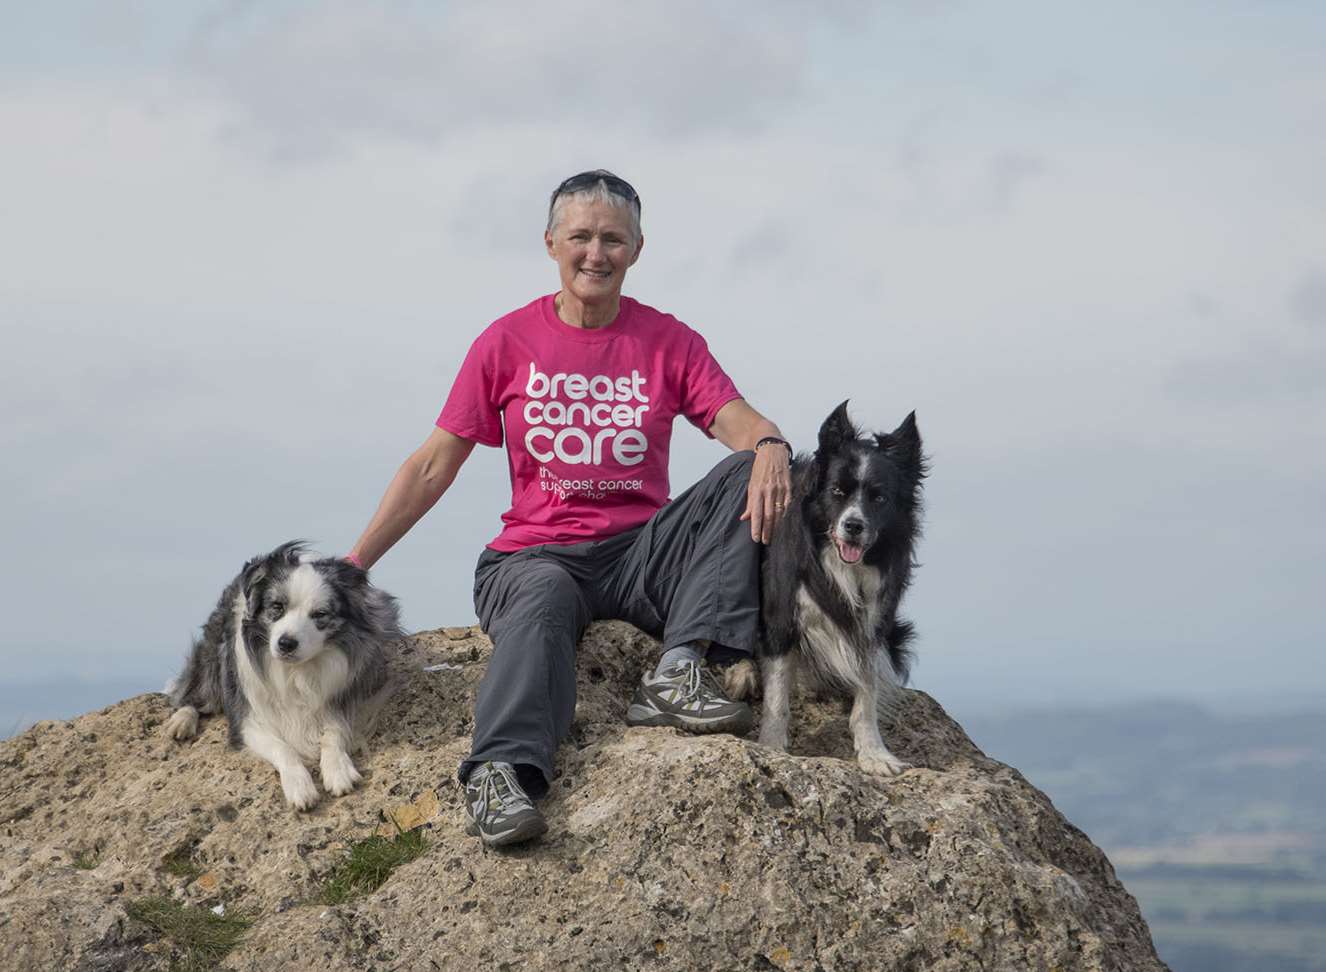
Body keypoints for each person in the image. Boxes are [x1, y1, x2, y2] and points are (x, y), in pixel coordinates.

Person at [346, 170, 791, 846]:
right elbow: (434, 463)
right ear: (551, 243)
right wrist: (354, 567)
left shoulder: (669, 341)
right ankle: (500, 776)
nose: (596, 253)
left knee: (745, 468)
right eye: (580, 236)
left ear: (637, 250)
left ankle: (678, 673)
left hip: (639, 555)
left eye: (613, 239)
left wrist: (771, 444)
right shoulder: (507, 341)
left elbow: (737, 423)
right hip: (533, 556)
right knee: (547, 596)